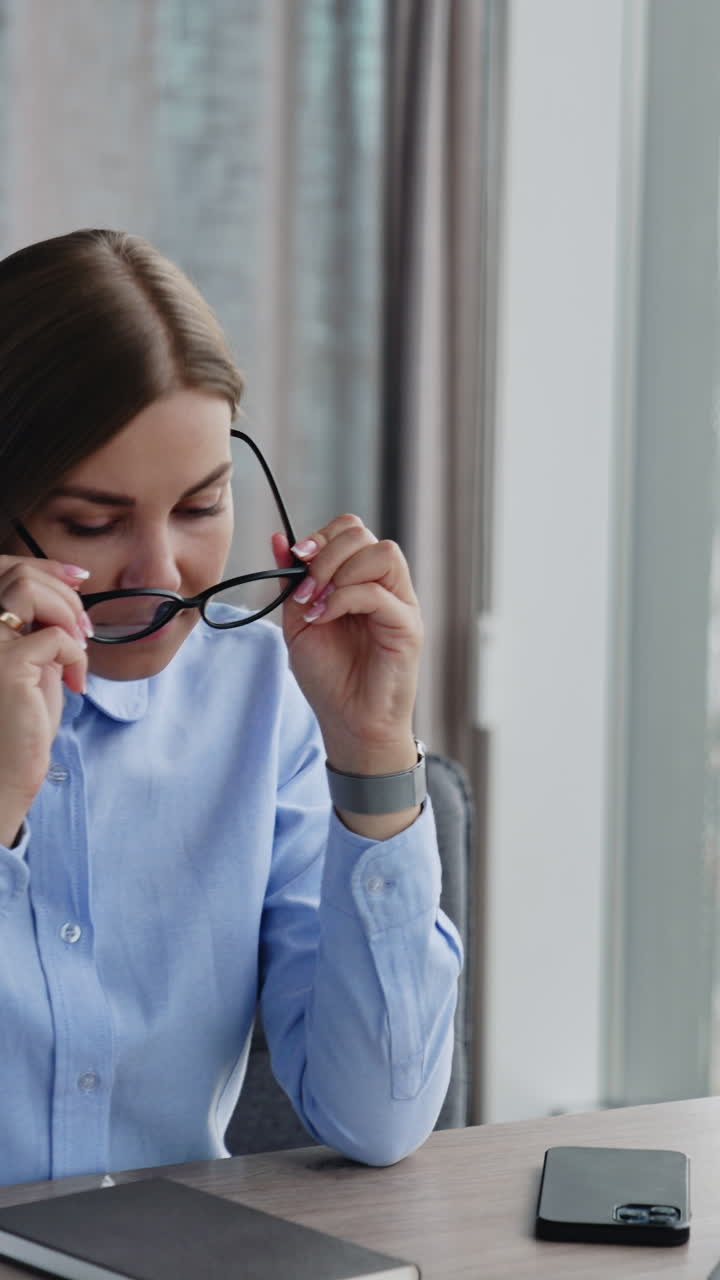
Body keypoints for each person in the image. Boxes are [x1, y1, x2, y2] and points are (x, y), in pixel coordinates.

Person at [0, 229, 462, 1187]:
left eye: (202, 506)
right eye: (95, 523)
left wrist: (371, 747)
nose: (166, 577)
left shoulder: (263, 705)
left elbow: (375, 1118)